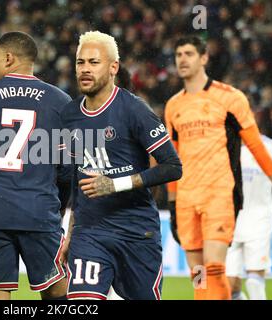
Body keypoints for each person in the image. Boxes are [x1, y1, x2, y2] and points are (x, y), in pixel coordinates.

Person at [61, 31, 182, 300]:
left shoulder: (134, 110)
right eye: (81, 62)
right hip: (90, 233)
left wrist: (115, 184)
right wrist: (70, 233)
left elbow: (173, 166)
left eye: (94, 62)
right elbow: (75, 181)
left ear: (113, 67)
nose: (85, 69)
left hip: (137, 232)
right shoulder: (69, 115)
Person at [0, 31, 71, 300]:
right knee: (58, 290)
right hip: (41, 212)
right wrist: (57, 206)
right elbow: (67, 172)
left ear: (8, 58)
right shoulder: (60, 102)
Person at [165, 36, 272, 300]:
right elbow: (173, 158)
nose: (182, 59)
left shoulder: (230, 98)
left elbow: (255, 144)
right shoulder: (173, 106)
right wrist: (172, 203)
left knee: (214, 268)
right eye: (179, 54)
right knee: (199, 274)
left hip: (219, 193)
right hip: (187, 198)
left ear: (203, 58)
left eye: (189, 53)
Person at [226, 135, 272, 300]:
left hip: (259, 218)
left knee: (254, 281)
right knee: (230, 287)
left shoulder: (271, 147)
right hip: (231, 220)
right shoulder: (226, 147)